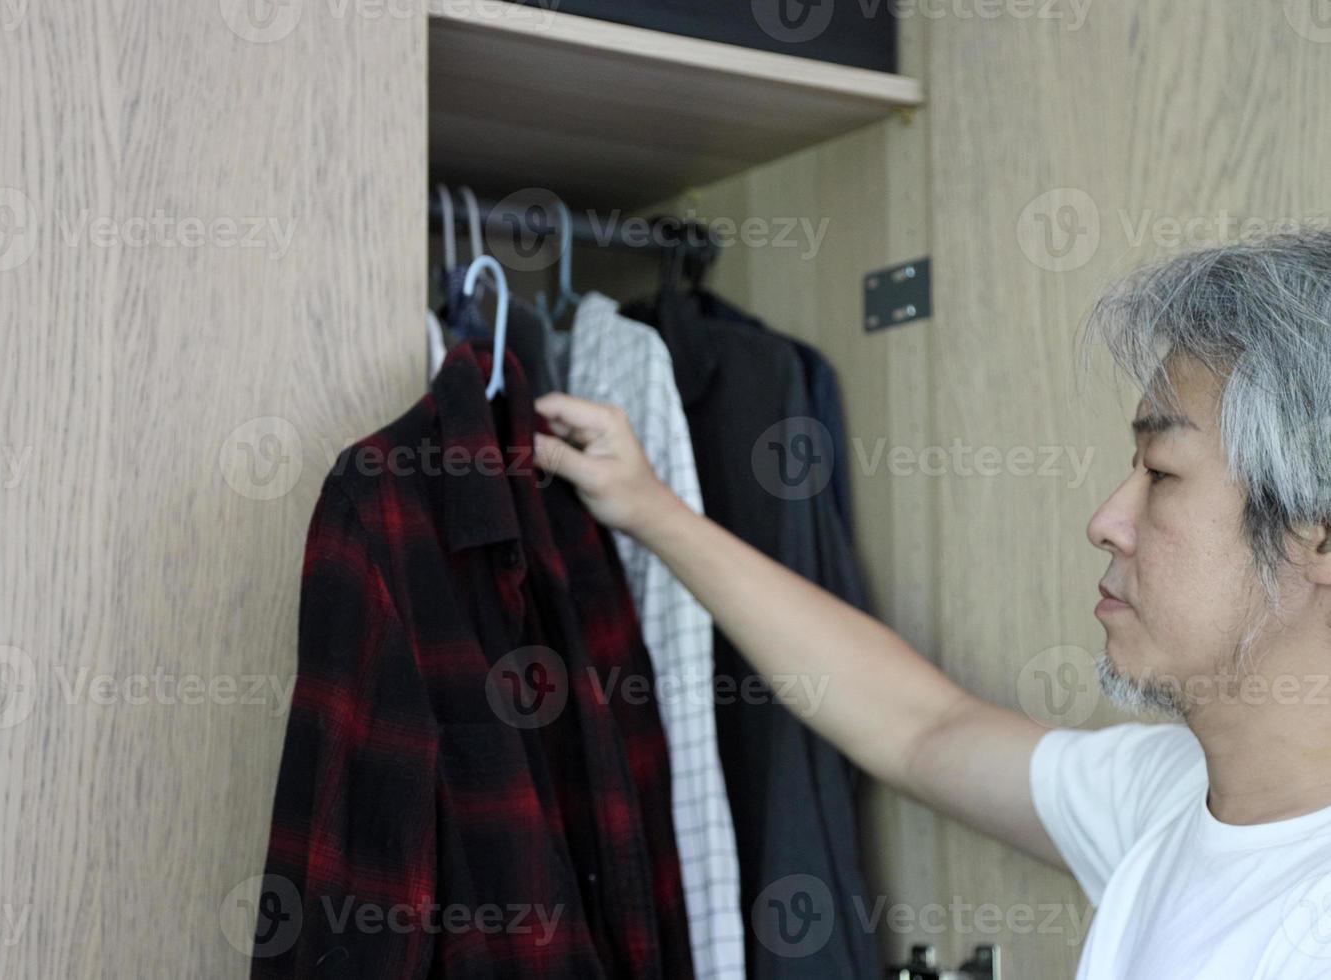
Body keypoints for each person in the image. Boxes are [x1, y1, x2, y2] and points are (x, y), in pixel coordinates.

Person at [529, 231, 1331, 978]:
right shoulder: (1172, 796)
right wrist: (650, 509)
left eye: (1160, 471)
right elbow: (919, 726)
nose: (1105, 522)